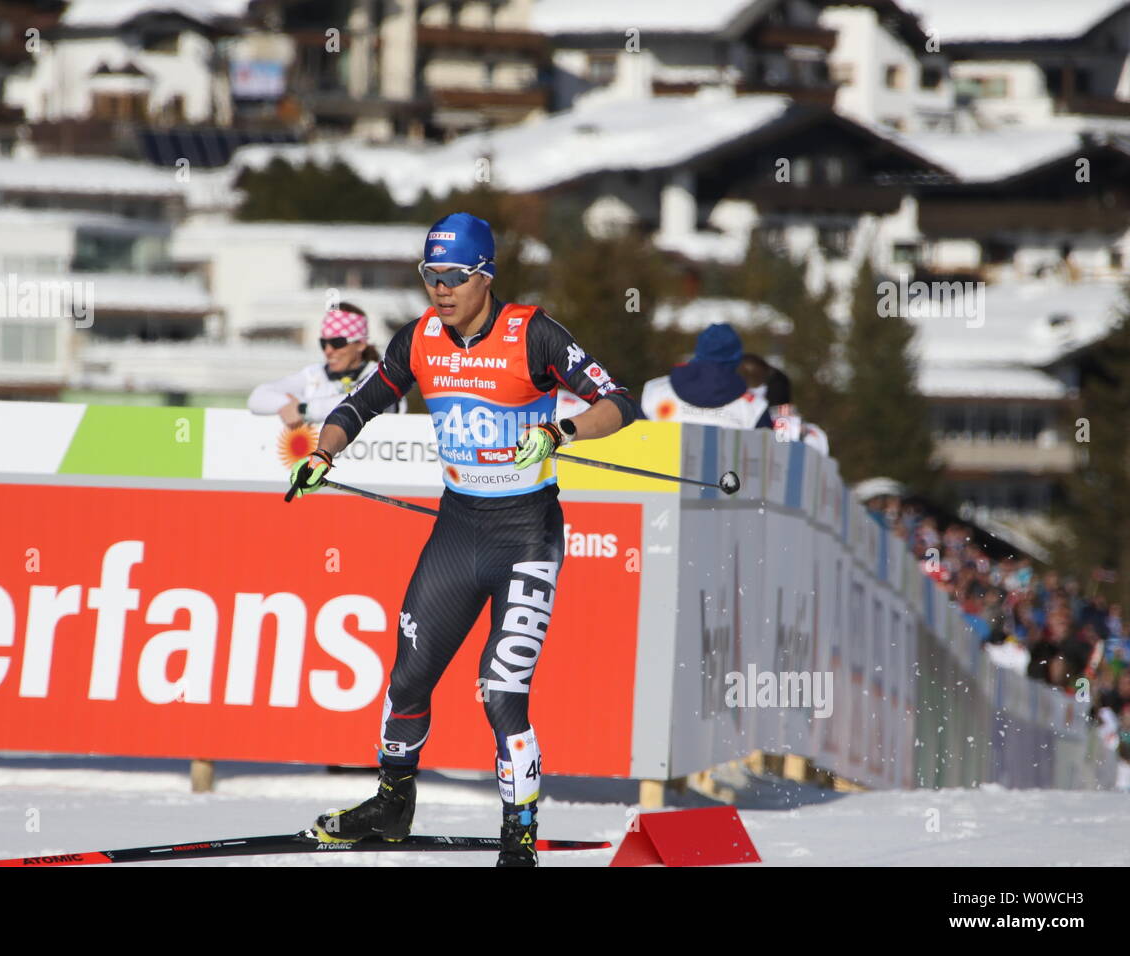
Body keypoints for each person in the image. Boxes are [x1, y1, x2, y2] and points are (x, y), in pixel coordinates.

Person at [285, 212, 638, 867]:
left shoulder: (532, 334)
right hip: (458, 529)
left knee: (501, 691)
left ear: (485, 275)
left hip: (526, 534)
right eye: (429, 275)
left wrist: (563, 432)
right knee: (409, 677)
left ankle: (519, 838)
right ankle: (392, 802)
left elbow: (620, 399)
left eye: (452, 276)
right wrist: (323, 454)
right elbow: (361, 401)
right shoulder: (419, 338)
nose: (439, 289)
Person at [247, 303, 405, 426]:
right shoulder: (314, 374)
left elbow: (360, 402)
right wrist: (289, 405)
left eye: (337, 342)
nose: (328, 351)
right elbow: (258, 397)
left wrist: (303, 409)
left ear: (360, 344)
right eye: (324, 343)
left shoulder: (384, 375)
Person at [642, 323, 772, 429]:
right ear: (737, 358)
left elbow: (631, 442)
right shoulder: (753, 407)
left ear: (698, 350)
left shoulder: (655, 390)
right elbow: (767, 455)